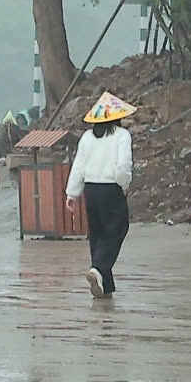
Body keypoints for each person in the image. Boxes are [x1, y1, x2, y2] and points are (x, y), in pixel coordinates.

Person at [67, 91, 136, 297]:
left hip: (90, 190)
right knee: (116, 230)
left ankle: (106, 286)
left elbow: (78, 165)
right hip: (111, 188)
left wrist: (72, 193)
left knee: (97, 235)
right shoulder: (122, 136)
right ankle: (97, 269)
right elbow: (123, 165)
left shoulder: (87, 137)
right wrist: (124, 184)